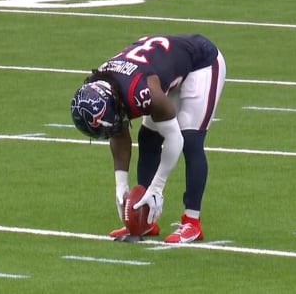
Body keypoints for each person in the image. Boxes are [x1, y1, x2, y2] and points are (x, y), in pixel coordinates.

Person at [70, 34, 226, 243]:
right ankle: (143, 218)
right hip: (157, 68)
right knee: (148, 138)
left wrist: (157, 187)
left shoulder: (142, 92)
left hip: (201, 63)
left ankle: (192, 222)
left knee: (190, 139)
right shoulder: (99, 85)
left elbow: (174, 139)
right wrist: (121, 185)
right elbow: (118, 129)